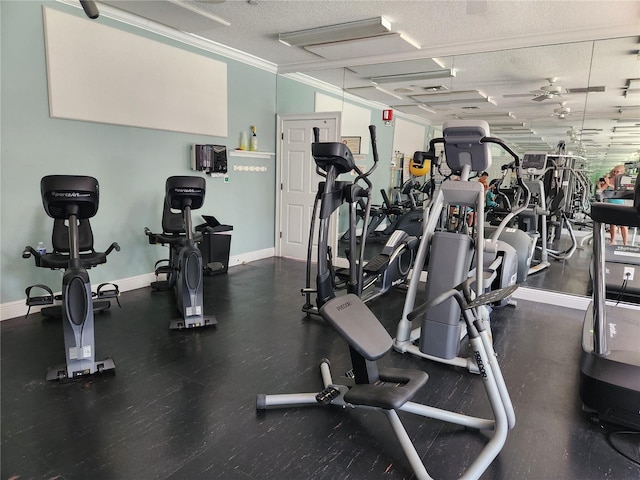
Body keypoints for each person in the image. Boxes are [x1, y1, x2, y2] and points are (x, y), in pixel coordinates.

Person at [597, 164, 628, 245]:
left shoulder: (624, 180)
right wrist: (599, 184)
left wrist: (609, 184)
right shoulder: (610, 180)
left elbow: (620, 189)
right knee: (612, 223)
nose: (615, 173)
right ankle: (613, 240)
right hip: (611, 203)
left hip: (621, 204)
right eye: (614, 171)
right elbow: (601, 190)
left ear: (622, 172)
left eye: (617, 172)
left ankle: (625, 243)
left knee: (623, 224)